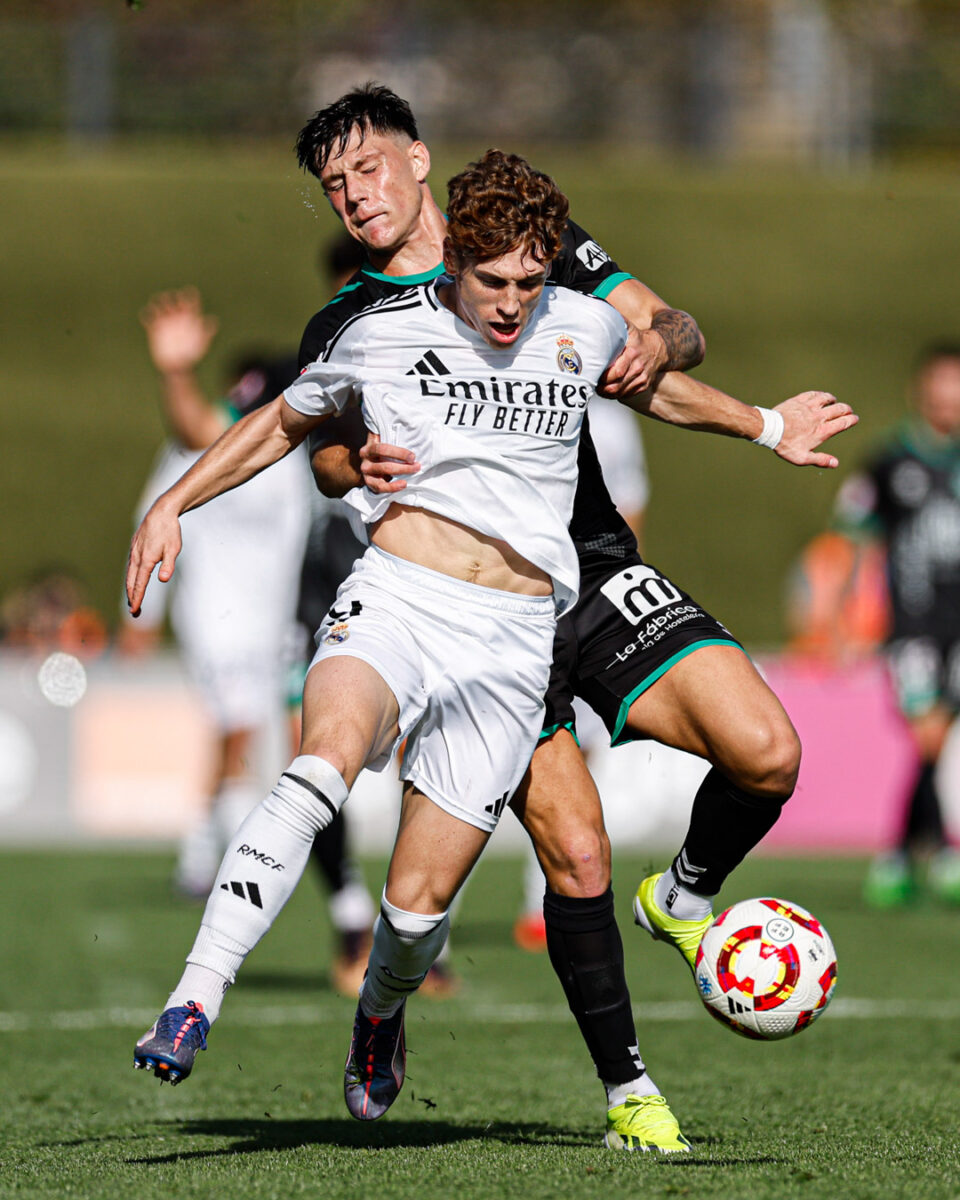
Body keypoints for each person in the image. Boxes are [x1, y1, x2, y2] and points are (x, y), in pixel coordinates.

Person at [298, 85, 855, 1151]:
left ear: (418, 161)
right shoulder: (351, 319)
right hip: (468, 613)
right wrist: (342, 464)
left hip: (591, 568)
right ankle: (624, 1091)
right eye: (333, 184)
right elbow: (316, 444)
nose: (354, 195)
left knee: (768, 753)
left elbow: (663, 331)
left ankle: (686, 898)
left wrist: (690, 364)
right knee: (556, 863)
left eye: (367, 168)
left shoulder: (526, 242)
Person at [128, 148, 699, 1147]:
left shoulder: (573, 316)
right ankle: (192, 997)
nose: (516, 299)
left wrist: (764, 416)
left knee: (416, 910)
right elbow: (282, 429)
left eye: (531, 280)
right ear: (454, 271)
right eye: (497, 282)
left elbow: (671, 365)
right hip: (395, 598)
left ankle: (380, 1014)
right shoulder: (372, 330)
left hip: (514, 642)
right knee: (320, 762)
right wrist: (177, 499)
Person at [120, 290, 311, 897]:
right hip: (220, 619)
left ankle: (203, 855)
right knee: (241, 734)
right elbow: (185, 446)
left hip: (277, 623)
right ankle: (229, 870)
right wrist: (175, 372)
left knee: (251, 741)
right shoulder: (213, 448)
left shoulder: (297, 458)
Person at [834, 344, 960, 907]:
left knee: (937, 738)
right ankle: (942, 854)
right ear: (922, 389)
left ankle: (902, 852)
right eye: (941, 383)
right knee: (928, 732)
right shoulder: (890, 462)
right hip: (912, 623)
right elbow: (858, 536)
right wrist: (846, 612)